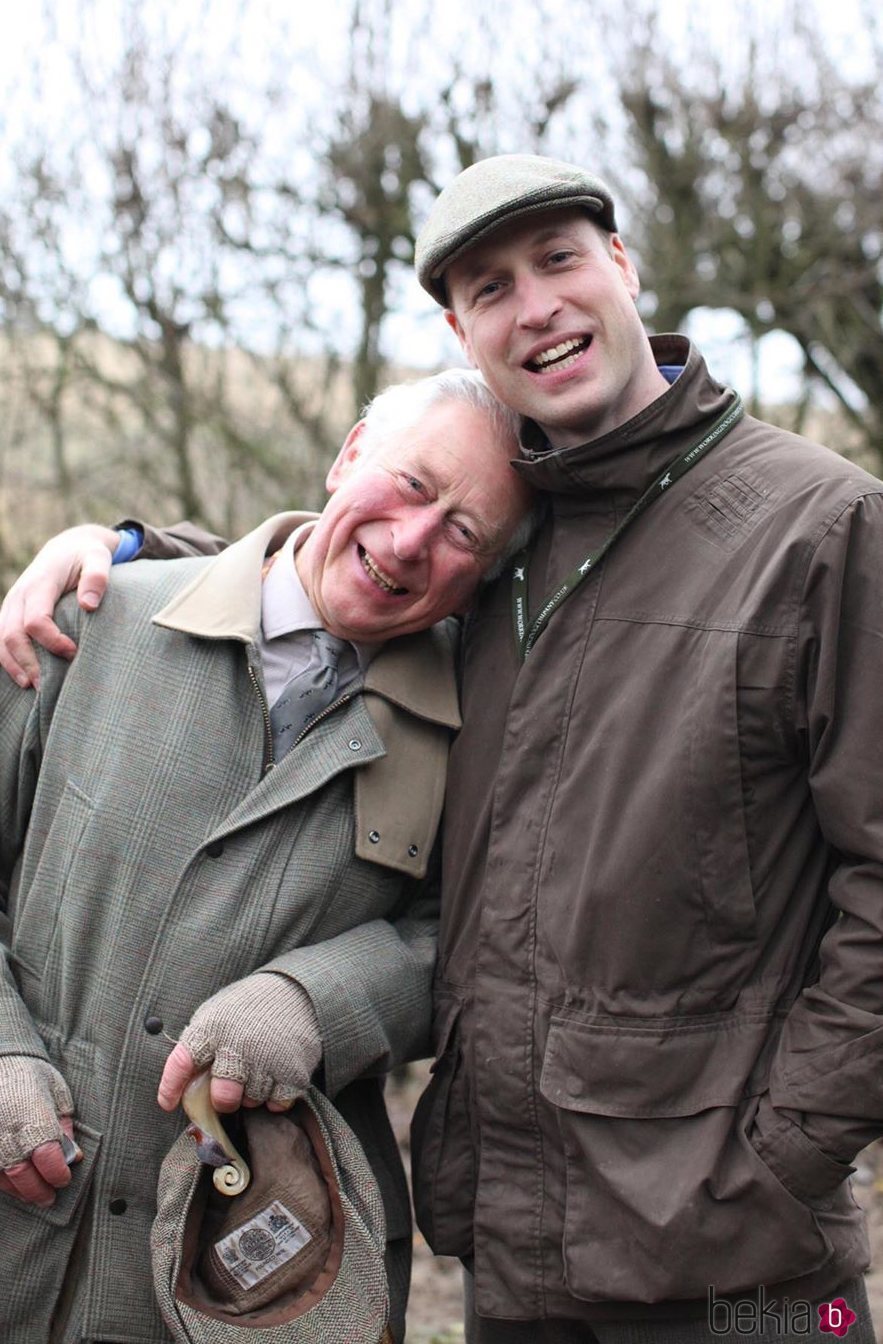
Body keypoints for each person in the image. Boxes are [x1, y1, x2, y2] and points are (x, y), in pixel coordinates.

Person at [2, 155, 882, 1343]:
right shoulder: (490, 570)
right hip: (513, 1248)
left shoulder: (820, 529)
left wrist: (783, 1151)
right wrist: (113, 549)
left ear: (624, 266)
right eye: (488, 286)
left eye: (562, 260)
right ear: (454, 339)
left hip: (740, 1262)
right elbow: (315, 587)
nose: (537, 305)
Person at [0, 366, 532, 1344]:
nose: (412, 542)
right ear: (348, 456)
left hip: (253, 1271)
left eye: (464, 532)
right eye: (413, 485)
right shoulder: (92, 619)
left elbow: (479, 946)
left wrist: (319, 998)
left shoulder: (482, 731)